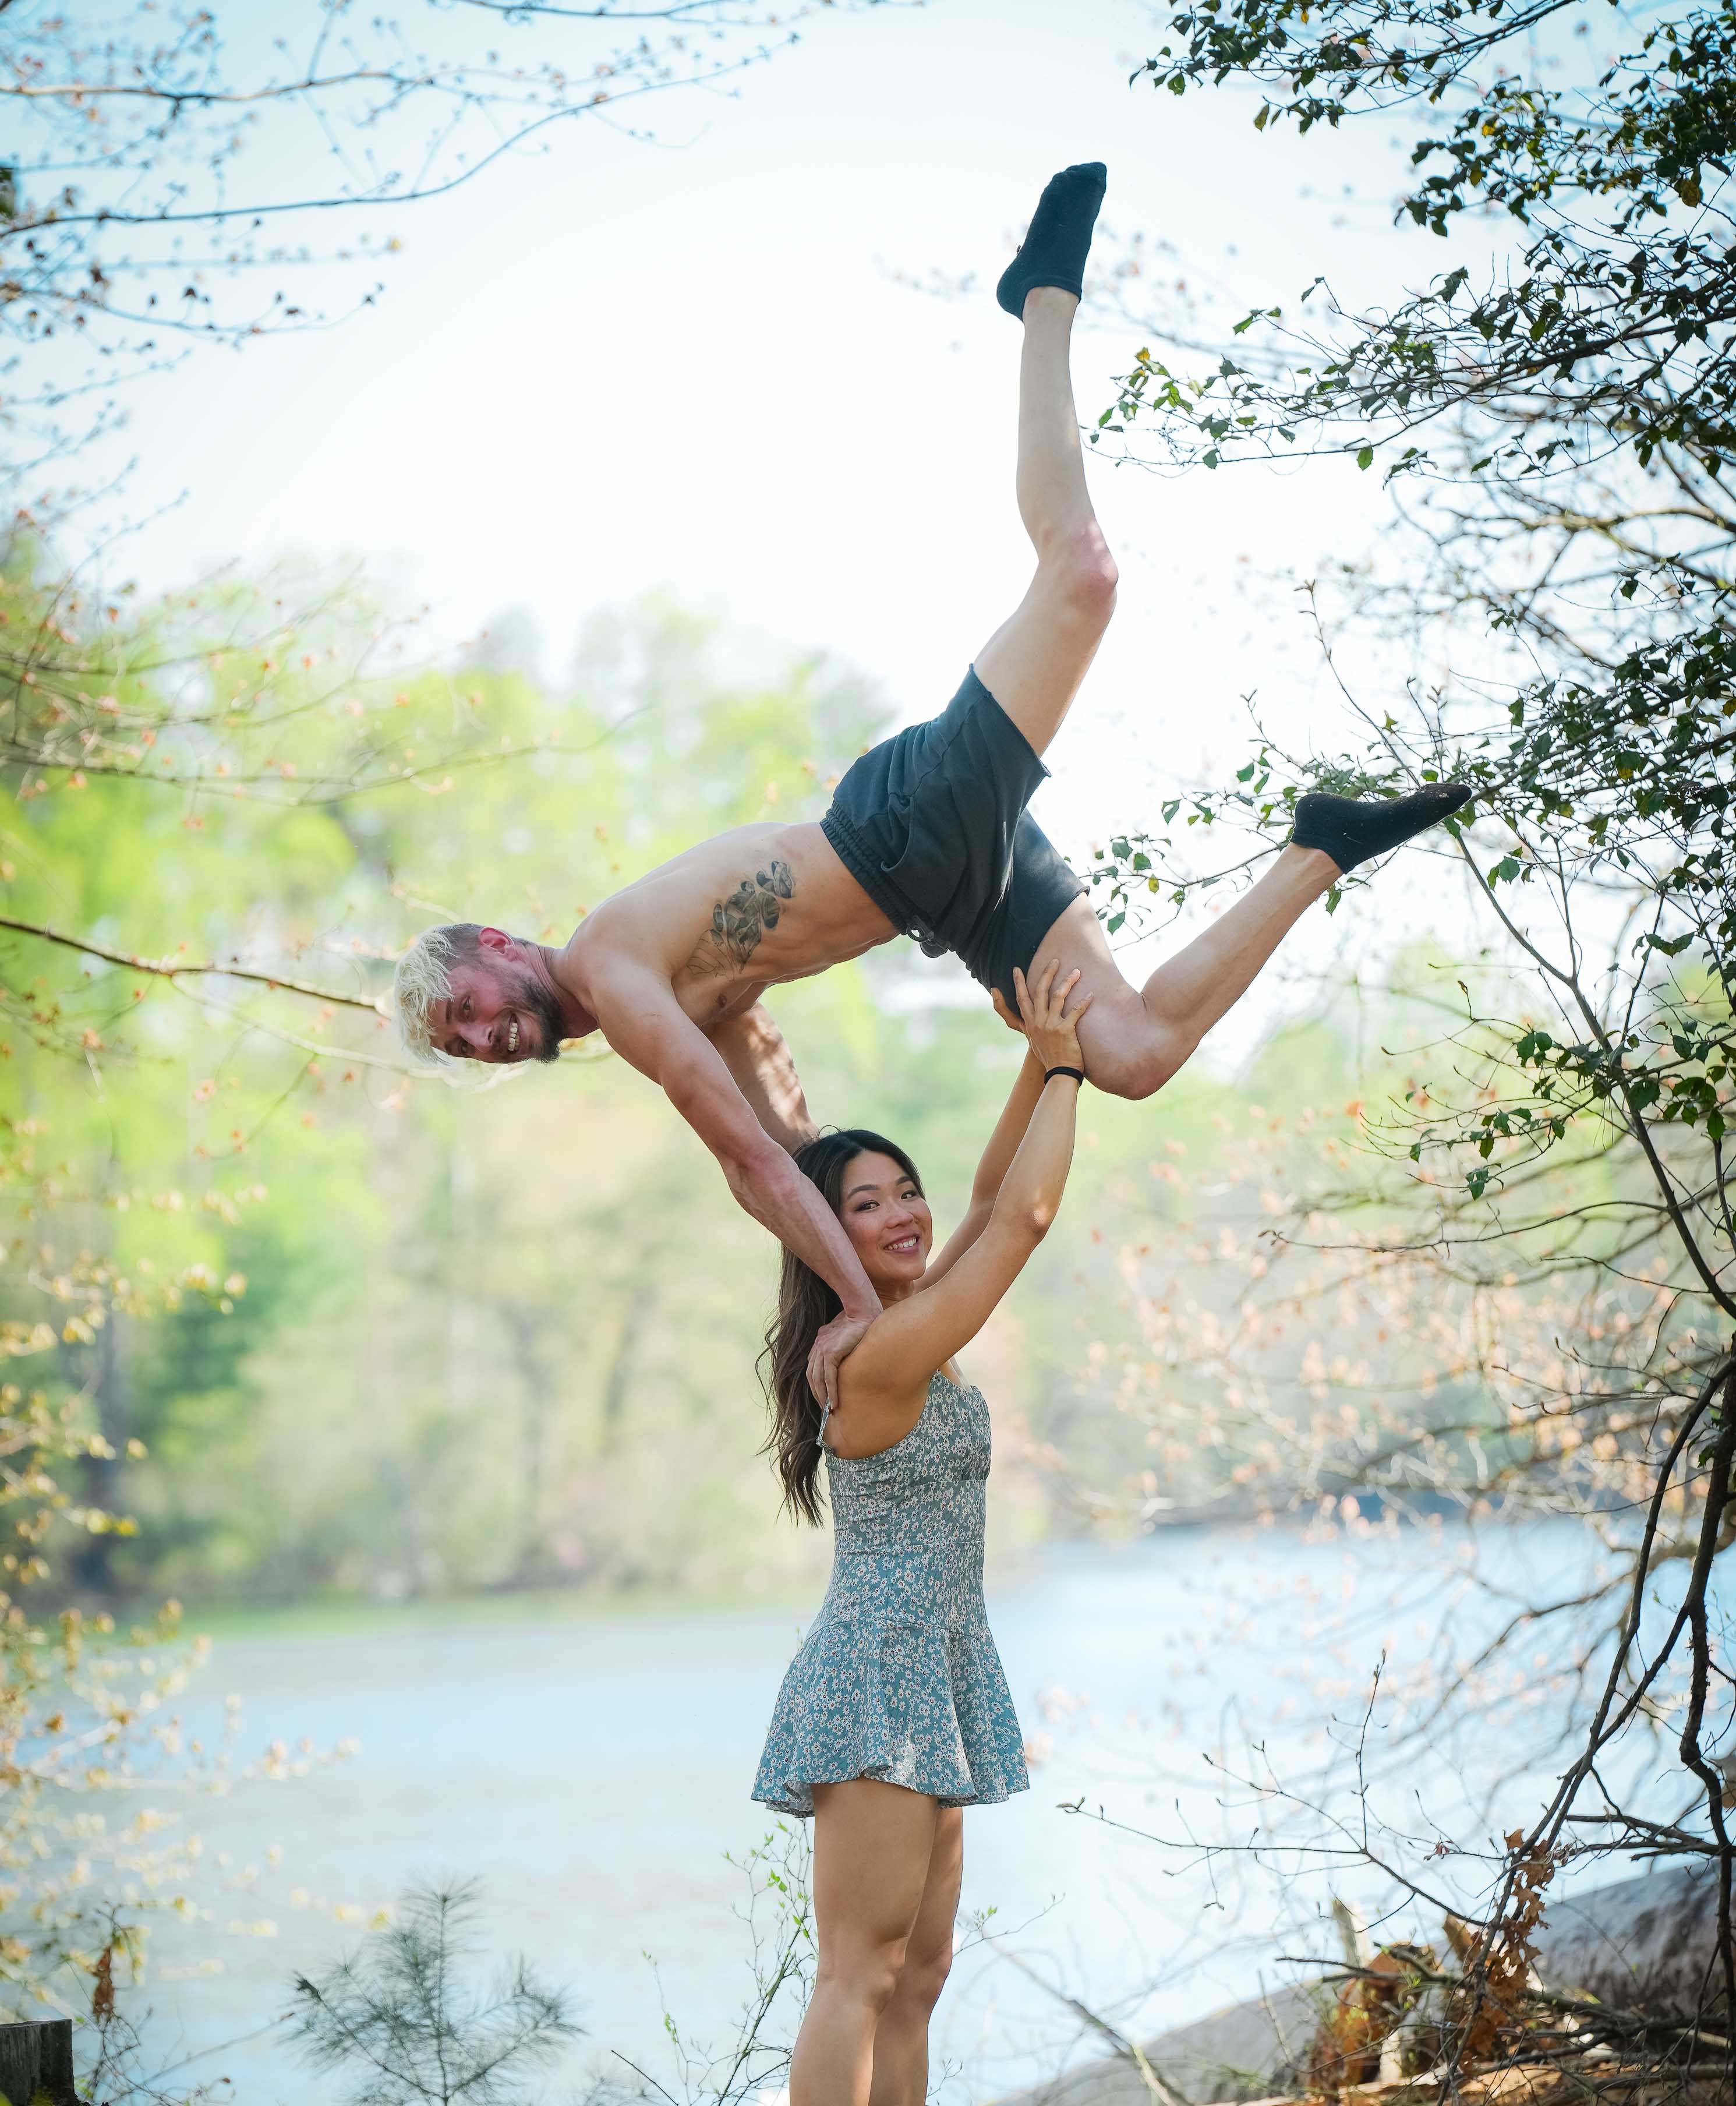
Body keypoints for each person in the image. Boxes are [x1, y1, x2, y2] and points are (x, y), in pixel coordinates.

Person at [393, 163, 1467, 1407]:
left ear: (492, 941)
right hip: (949, 896)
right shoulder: (677, 996)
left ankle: (1042, 302)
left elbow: (744, 1158)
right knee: (1129, 1052)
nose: (483, 1037)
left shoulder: (614, 974)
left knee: (1084, 577)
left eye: (465, 1007)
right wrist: (882, 1282)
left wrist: (853, 1303)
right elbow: (788, 1129)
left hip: (901, 826)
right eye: (464, 1047)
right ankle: (1319, 850)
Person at [751, 958, 1091, 2106]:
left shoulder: (903, 1325)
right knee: (856, 1969)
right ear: (820, 1237)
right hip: (877, 1680)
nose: (900, 1215)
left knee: (922, 1969)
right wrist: (1071, 1065)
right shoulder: (880, 1361)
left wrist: (1029, 1060)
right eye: (864, 1203)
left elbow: (996, 1192)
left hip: (936, 1672)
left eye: (903, 1191)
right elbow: (1027, 1222)